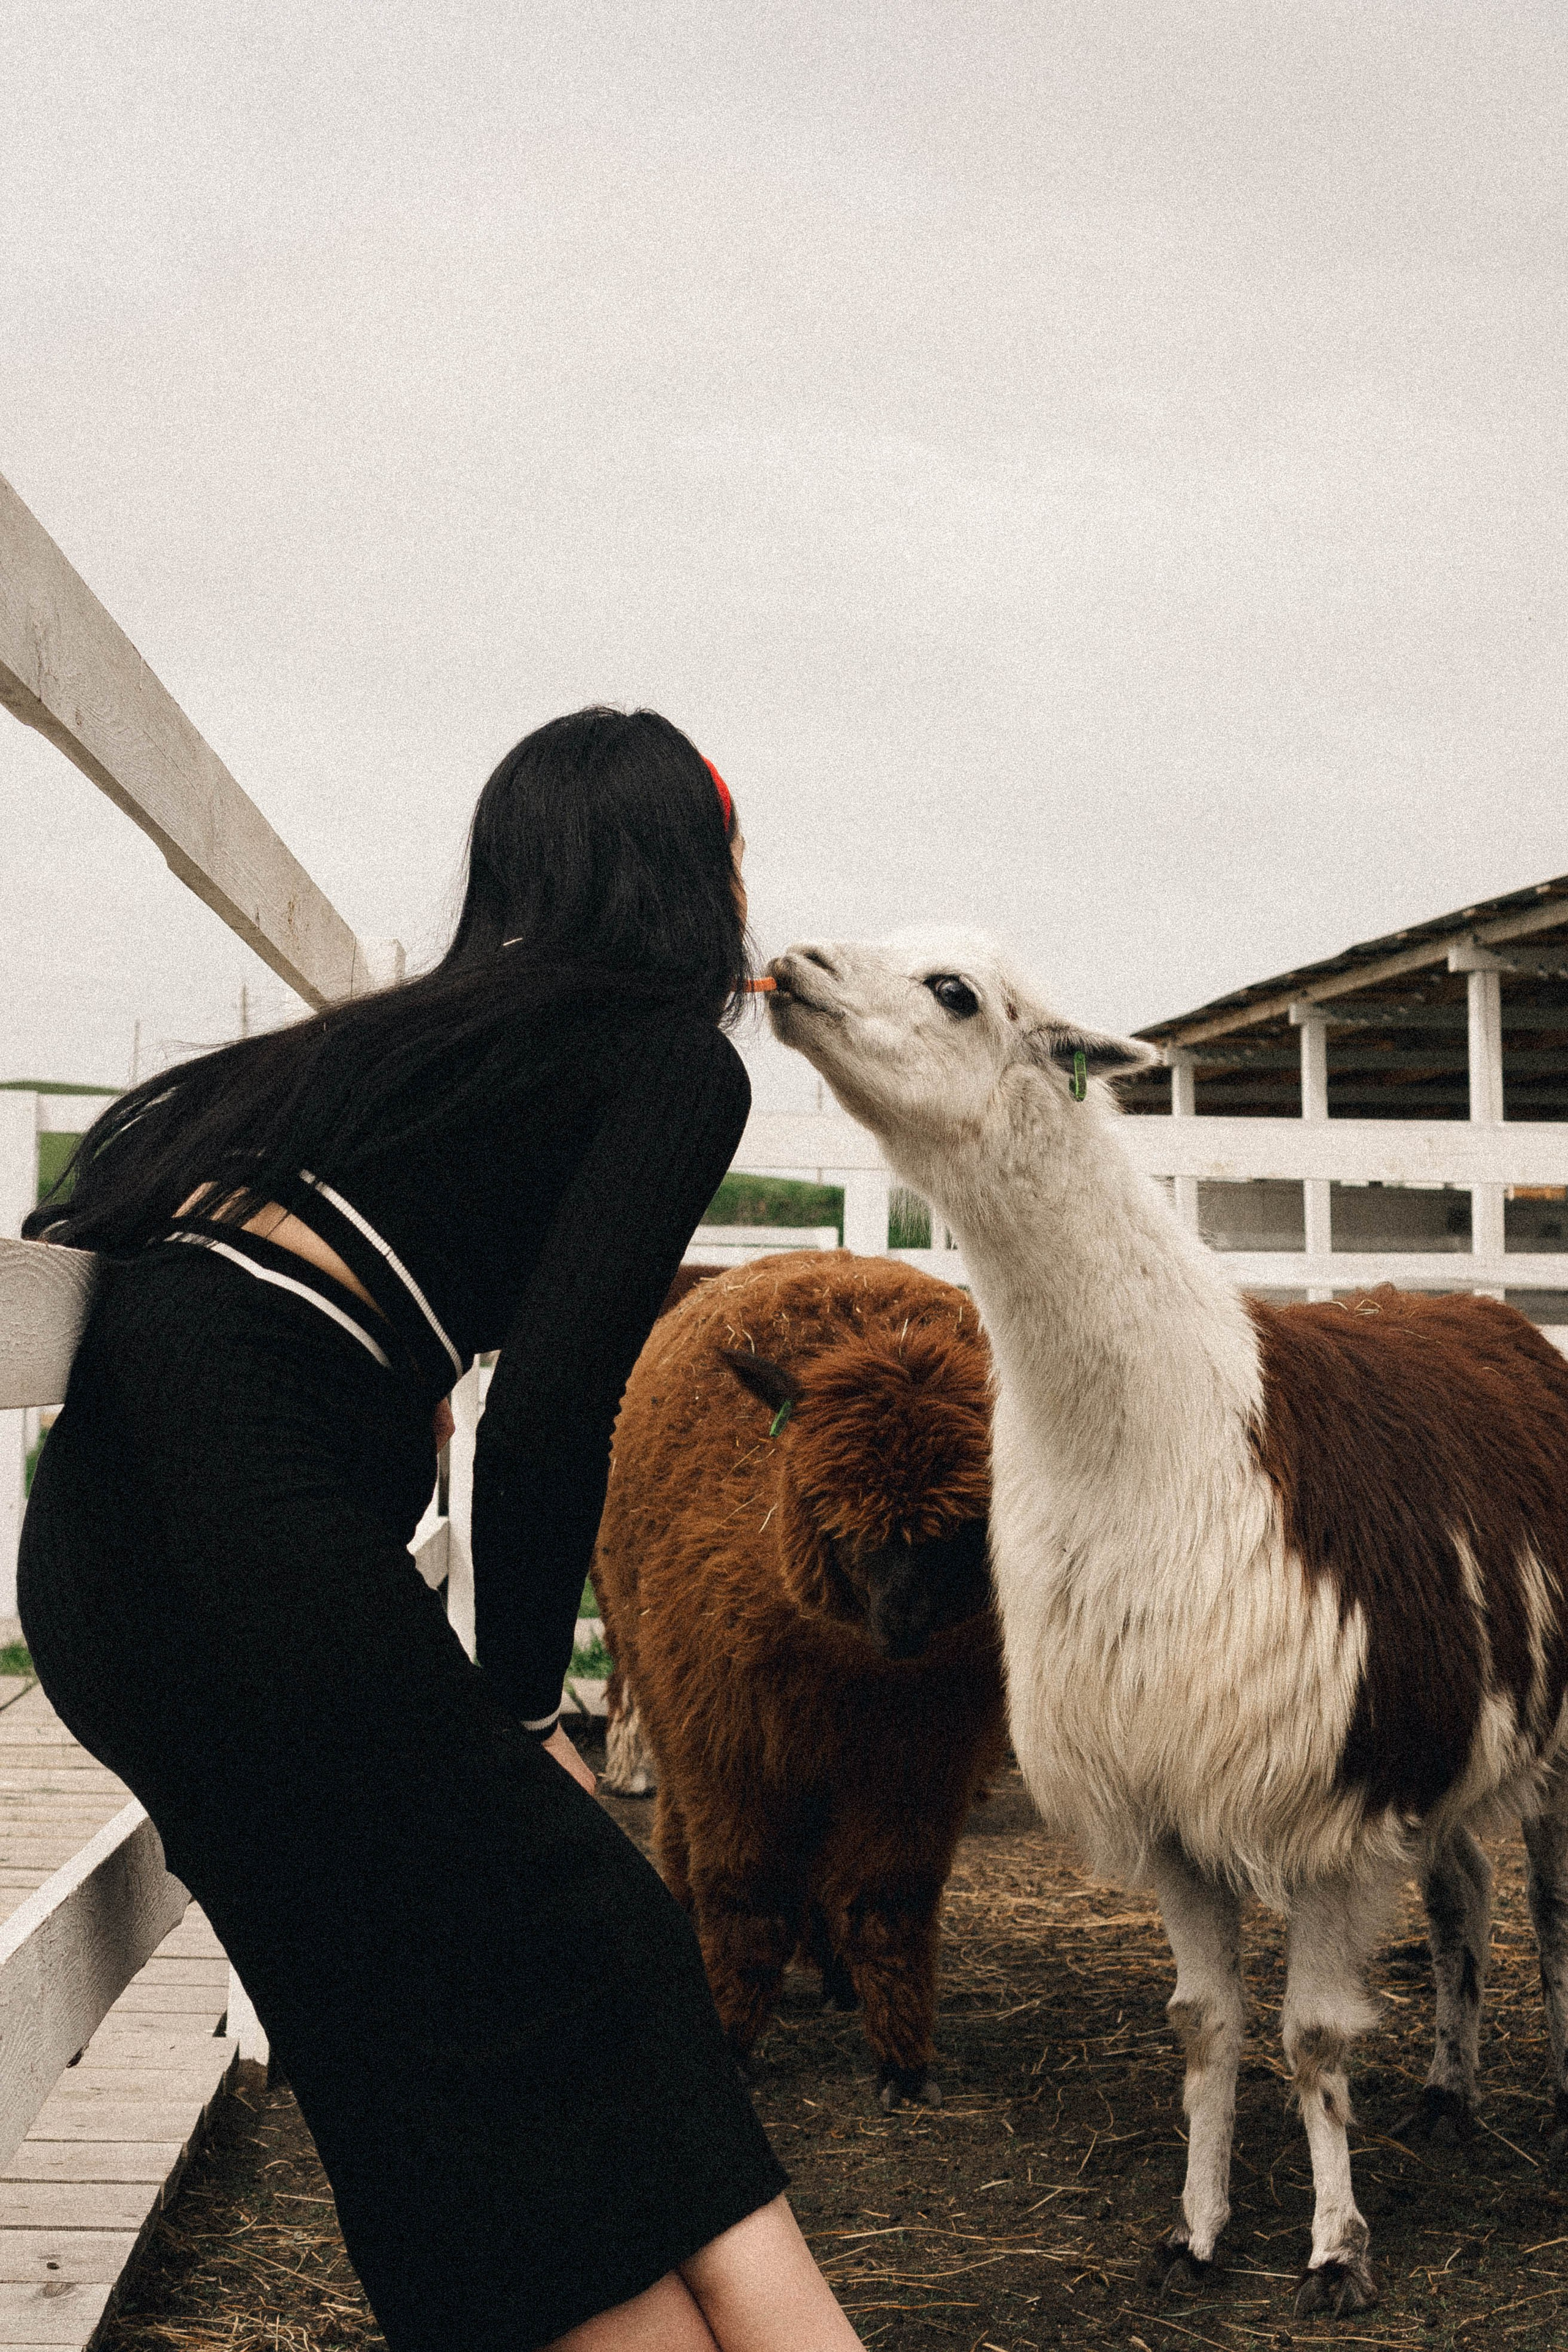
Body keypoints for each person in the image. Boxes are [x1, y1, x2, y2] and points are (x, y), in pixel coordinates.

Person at [19, 709, 862, 2352]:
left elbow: (108, 1189)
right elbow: (546, 1414)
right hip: (261, 1533)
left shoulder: (372, 1051)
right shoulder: (669, 1060)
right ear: (695, 874)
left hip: (93, 1576)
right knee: (591, 1938)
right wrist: (527, 1703)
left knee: (383, 2010)